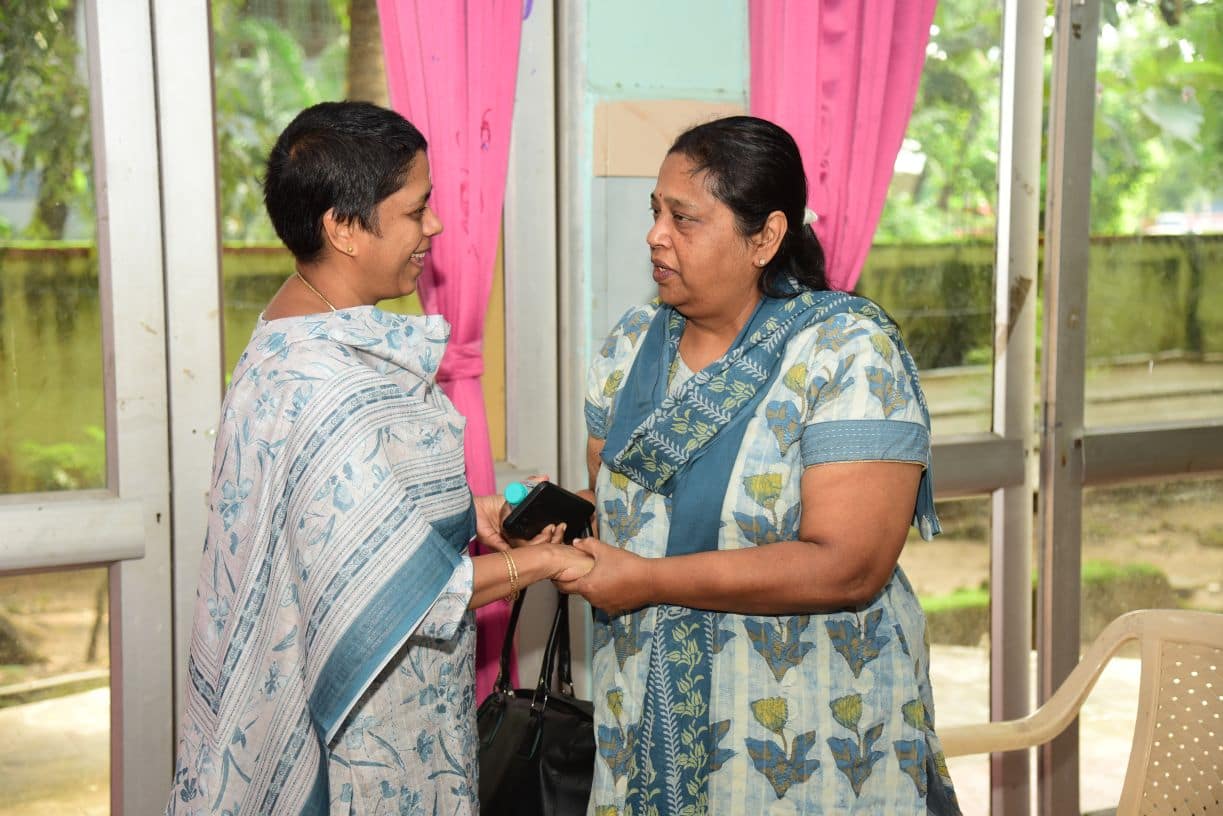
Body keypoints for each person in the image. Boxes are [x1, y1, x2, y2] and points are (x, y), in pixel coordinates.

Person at [166, 101, 592, 816]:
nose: (435, 226)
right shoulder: (324, 379)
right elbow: (407, 594)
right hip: (360, 743)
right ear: (343, 227)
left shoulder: (296, 334)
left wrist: (472, 515)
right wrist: (545, 563)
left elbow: (339, 520)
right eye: (415, 209)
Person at [556, 116, 961, 815]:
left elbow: (848, 567)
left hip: (808, 731)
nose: (655, 235)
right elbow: (624, 510)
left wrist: (648, 581)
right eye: (655, 212)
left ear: (765, 237)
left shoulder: (844, 353)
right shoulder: (631, 345)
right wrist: (563, 523)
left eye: (683, 217)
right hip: (645, 713)